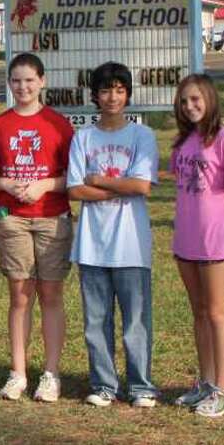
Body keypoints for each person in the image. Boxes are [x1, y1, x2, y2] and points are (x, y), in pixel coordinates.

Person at [0, 53, 75, 403]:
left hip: (52, 217)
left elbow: (73, 179)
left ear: (42, 81)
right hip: (13, 218)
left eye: (29, 80)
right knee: (20, 296)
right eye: (16, 81)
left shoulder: (58, 125)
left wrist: (45, 185)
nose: (23, 87)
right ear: (9, 83)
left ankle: (50, 373)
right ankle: (18, 372)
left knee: (51, 295)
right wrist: (5, 183)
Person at [67, 61, 160, 408]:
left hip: (131, 244)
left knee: (136, 321)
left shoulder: (142, 136)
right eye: (106, 90)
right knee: (96, 321)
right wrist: (120, 189)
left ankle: (141, 386)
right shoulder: (83, 137)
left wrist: (100, 181)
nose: (112, 97)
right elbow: (75, 190)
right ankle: (104, 384)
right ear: (94, 95)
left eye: (120, 90)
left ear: (128, 94)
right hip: (92, 244)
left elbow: (142, 185)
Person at [170, 74, 224, 418]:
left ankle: (222, 389)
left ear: (210, 99)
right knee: (199, 312)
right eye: (185, 101)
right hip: (186, 237)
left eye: (196, 99)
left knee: (217, 312)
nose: (190, 106)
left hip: (216, 238)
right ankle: (204, 381)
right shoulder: (183, 144)